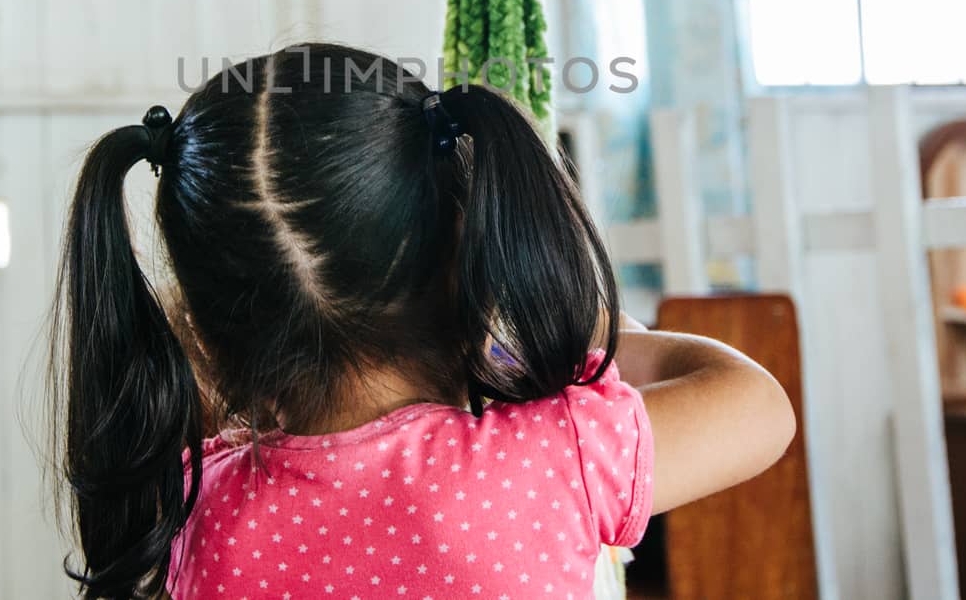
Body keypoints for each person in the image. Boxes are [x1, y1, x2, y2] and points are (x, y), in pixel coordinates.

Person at [49, 43, 795, 599]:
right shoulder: (551, 460)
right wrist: (591, 328)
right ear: (460, 261)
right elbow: (760, 408)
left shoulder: (191, 516)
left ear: (206, 329)